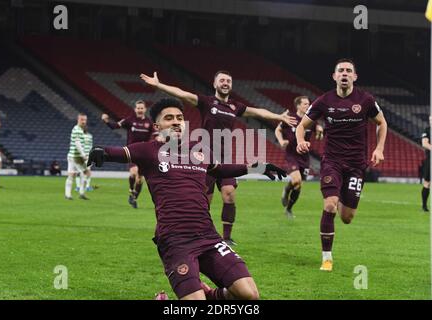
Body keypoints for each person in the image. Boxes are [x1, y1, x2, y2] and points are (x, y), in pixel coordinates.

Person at [87, 98, 287, 300]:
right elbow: (117, 152)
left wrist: (259, 167)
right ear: (157, 126)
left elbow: (221, 169)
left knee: (249, 295)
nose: (176, 122)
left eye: (179, 118)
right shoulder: (148, 150)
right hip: (175, 241)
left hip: (208, 236)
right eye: (169, 118)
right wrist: (101, 151)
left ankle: (210, 295)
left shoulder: (199, 150)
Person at [139, 70, 297, 246]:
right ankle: (196, 232)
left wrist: (278, 116)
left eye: (228, 81)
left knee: (229, 195)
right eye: (222, 80)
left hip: (226, 159)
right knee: (203, 201)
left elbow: (257, 112)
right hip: (204, 157)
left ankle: (227, 237)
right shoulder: (207, 102)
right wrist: (159, 85)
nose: (225, 83)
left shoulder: (235, 107)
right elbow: (182, 94)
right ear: (215, 84)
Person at [296, 59, 387, 272]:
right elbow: (302, 126)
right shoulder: (323, 101)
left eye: (348, 71)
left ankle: (338, 199)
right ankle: (327, 258)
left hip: (357, 165)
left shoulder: (365, 100)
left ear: (354, 76)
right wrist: (301, 140)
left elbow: (382, 123)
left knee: (346, 217)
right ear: (334, 76)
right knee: (329, 205)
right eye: (340, 71)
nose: (344, 74)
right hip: (332, 162)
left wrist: (379, 148)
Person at [275, 96, 323, 218]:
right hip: (291, 155)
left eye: (308, 103)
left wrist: (319, 132)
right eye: (305, 104)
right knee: (297, 180)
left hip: (304, 157)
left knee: (298, 185)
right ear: (298, 106)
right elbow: (278, 130)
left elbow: (318, 137)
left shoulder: (311, 120)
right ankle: (286, 190)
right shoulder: (290, 118)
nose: (308, 105)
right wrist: (281, 141)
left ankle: (289, 209)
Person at [102, 100, 156, 208]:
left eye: (142, 108)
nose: (140, 110)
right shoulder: (129, 120)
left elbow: (156, 134)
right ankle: (131, 190)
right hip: (131, 152)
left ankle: (134, 197)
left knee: (140, 179)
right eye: (138, 108)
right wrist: (106, 121)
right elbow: (115, 126)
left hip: (144, 153)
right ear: (135, 109)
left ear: (145, 109)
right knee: (133, 172)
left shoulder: (149, 122)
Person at [65, 113, 90, 200]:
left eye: (85, 120)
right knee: (82, 173)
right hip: (75, 156)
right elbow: (77, 143)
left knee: (76, 174)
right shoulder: (77, 129)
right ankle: (77, 194)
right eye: (82, 120)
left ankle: (72, 194)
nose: (84, 122)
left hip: (74, 156)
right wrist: (83, 154)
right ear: (78, 120)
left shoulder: (79, 129)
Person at [76, 126, 94, 191]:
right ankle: (87, 186)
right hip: (85, 156)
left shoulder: (79, 136)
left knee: (80, 172)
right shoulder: (89, 136)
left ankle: (79, 187)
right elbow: (90, 147)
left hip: (81, 156)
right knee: (87, 172)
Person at [421, 126, 431, 212]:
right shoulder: (427, 130)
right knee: (427, 183)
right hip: (430, 160)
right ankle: (424, 206)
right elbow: (424, 143)